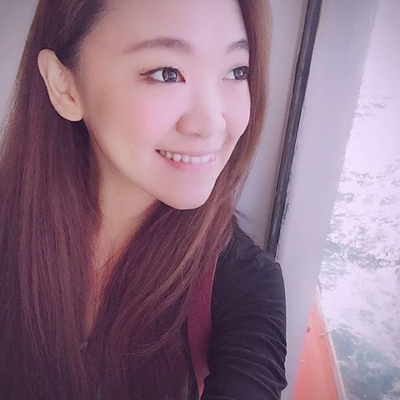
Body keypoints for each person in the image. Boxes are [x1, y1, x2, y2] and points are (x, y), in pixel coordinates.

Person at [0, 0, 287, 399]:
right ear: (65, 86)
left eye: (237, 71)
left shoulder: (245, 284)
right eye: (167, 73)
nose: (211, 124)